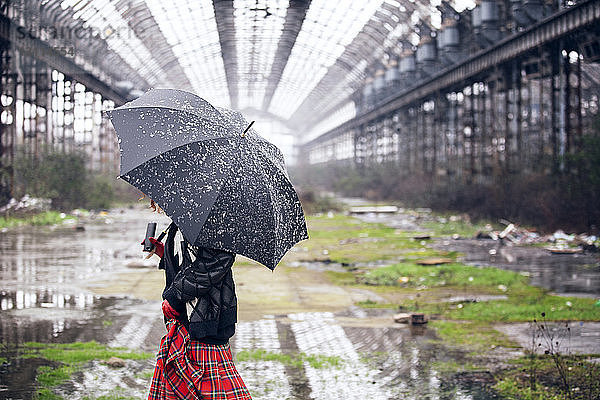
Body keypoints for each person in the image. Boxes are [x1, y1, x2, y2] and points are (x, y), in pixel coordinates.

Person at [146, 221, 252, 400]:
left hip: (206, 319)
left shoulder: (213, 220)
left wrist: (174, 296)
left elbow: (216, 262)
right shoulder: (188, 217)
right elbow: (192, 261)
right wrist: (166, 255)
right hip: (187, 322)